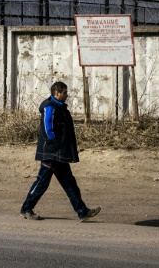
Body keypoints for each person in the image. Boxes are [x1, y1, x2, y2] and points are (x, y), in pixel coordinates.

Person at [20, 81, 101, 222]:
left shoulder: (61, 108)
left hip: (59, 154)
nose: (66, 95)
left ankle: (82, 211)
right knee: (42, 183)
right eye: (64, 93)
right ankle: (26, 208)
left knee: (70, 183)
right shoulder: (49, 107)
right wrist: (54, 145)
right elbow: (47, 128)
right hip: (51, 153)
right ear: (56, 93)